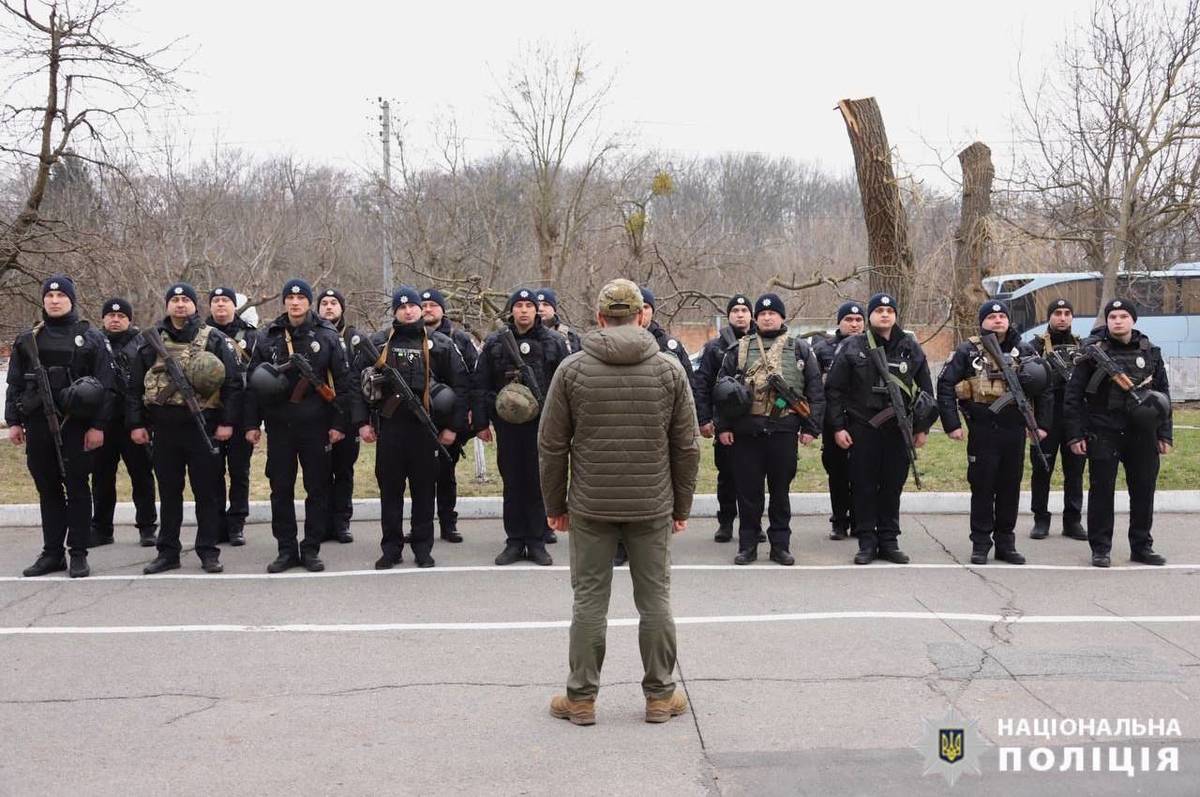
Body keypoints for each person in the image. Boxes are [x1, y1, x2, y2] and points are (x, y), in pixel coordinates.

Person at [540, 278, 700, 726]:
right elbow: (687, 446)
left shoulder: (572, 369)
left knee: (589, 601)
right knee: (655, 602)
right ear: (641, 316)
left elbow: (552, 445)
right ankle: (659, 696)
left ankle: (582, 699)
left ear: (599, 317)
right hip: (651, 504)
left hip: (591, 504)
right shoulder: (669, 369)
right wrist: (681, 507)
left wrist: (555, 504)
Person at [126, 282, 243, 574]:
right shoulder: (150, 341)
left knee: (207, 493)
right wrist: (137, 423)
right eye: (175, 300)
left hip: (203, 426)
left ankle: (208, 550)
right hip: (164, 429)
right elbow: (134, 386)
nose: (180, 305)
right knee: (169, 493)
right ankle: (168, 552)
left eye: (185, 300)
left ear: (194, 305)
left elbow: (232, 384)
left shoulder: (213, 339)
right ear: (168, 305)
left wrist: (227, 422)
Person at [353, 287, 470, 569]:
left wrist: (453, 429)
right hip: (390, 430)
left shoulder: (439, 343)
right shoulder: (379, 342)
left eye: (414, 306)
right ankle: (391, 548)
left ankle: (422, 547)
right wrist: (361, 424)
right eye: (402, 307)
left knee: (424, 491)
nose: (409, 311)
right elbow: (353, 385)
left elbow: (462, 386)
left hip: (425, 432)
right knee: (390, 492)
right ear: (395, 311)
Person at [244, 279, 351, 573]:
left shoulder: (326, 335)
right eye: (289, 297)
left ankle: (311, 548)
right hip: (279, 426)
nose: (294, 302)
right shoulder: (268, 336)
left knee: (317, 488)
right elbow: (253, 384)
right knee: (280, 489)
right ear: (283, 303)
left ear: (308, 301)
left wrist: (340, 423)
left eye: (300, 297)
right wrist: (252, 424)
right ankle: (286, 549)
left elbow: (343, 382)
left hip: (316, 425)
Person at [10, 276, 114, 578]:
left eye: (61, 295)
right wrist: (14, 421)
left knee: (78, 489)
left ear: (72, 299)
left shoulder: (91, 337)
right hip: (38, 424)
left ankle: (78, 553)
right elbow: (14, 384)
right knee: (48, 490)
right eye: (50, 295)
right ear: (43, 300)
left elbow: (106, 387)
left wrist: (98, 427)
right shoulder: (28, 338)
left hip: (77, 427)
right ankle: (52, 553)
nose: (55, 300)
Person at [937, 300, 1051, 565]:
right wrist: (952, 423)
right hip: (983, 430)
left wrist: (1041, 425)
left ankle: (1005, 543)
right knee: (983, 488)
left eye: (1002, 316)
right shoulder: (967, 351)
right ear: (982, 322)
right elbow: (945, 385)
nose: (998, 320)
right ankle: (980, 544)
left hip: (1014, 430)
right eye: (992, 316)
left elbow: (1045, 388)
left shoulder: (1025, 351)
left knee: (1010, 488)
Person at [824, 293, 935, 565]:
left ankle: (888, 540)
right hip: (863, 428)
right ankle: (866, 542)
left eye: (889, 310)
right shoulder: (852, 346)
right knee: (863, 486)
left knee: (891, 486)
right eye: (879, 310)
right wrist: (838, 428)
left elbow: (926, 391)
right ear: (870, 316)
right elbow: (834, 391)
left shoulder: (910, 346)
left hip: (898, 429)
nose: (884, 315)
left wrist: (922, 429)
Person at [716, 293, 824, 566]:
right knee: (748, 494)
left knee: (780, 492)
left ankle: (780, 545)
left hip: (783, 431)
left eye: (773, 313)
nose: (767, 317)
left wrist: (812, 428)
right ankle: (747, 545)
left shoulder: (800, 349)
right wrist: (723, 427)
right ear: (756, 318)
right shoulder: (739, 349)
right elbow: (721, 391)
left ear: (782, 317)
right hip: (746, 433)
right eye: (762, 314)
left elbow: (815, 390)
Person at [1065, 298, 1172, 568]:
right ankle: (1100, 548)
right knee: (1101, 492)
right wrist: (1076, 434)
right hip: (1104, 429)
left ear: (1133, 320)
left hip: (1143, 432)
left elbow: (1163, 396)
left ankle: (1141, 546)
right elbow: (1073, 397)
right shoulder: (1091, 353)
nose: (1118, 321)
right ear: (1107, 321)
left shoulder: (1150, 351)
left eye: (1123, 316)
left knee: (1143, 491)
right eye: (1112, 316)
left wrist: (1165, 434)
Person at [473, 287, 569, 566]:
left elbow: (564, 386)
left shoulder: (554, 342)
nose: (524, 310)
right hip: (508, 426)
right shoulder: (495, 343)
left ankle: (537, 541)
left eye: (529, 305)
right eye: (519, 305)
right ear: (511, 310)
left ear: (537, 310)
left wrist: (564, 423)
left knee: (538, 481)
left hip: (542, 425)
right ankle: (515, 541)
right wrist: (482, 422)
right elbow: (480, 385)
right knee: (513, 482)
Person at [609, 286, 697, 566]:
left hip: (658, 429)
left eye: (648, 307)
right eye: (639, 307)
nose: (643, 313)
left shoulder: (669, 346)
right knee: (622, 487)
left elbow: (687, 390)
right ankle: (621, 544)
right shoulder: (613, 344)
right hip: (622, 426)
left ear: (652, 312)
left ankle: (651, 542)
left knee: (655, 488)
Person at [90, 297, 157, 548]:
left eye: (121, 316)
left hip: (134, 422)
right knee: (101, 478)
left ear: (130, 320)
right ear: (104, 319)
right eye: (110, 316)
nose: (115, 320)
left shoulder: (144, 344)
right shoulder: (94, 343)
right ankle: (101, 529)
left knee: (141, 476)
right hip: (103, 423)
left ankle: (148, 527)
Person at [691, 293, 753, 543]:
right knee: (726, 476)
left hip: (753, 423)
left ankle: (752, 524)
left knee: (752, 478)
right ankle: (726, 522)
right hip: (725, 422)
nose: (740, 314)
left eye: (744, 310)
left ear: (751, 315)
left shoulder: (761, 344)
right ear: (728, 316)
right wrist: (704, 419)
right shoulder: (714, 348)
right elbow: (702, 384)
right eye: (735, 310)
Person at [422, 287, 479, 543]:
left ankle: (448, 524)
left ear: (443, 309)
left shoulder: (459, 339)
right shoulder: (405, 338)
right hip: (417, 422)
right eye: (423, 305)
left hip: (448, 422)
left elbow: (469, 383)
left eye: (433, 305)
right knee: (420, 477)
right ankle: (421, 526)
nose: (427, 309)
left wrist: (457, 425)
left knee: (446, 474)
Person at [1029, 298, 1087, 541]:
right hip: (1045, 419)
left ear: (1072, 317)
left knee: (1075, 473)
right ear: (1049, 317)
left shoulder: (1083, 347)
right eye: (1057, 313)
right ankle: (1040, 519)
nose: (1062, 317)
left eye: (1066, 313)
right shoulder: (1035, 346)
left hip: (1074, 419)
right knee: (1042, 470)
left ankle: (1072, 521)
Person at [205, 286, 257, 546]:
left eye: (225, 300)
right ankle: (215, 523)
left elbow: (257, 379)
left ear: (234, 305)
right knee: (211, 473)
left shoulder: (251, 336)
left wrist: (252, 422)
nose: (220, 305)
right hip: (209, 415)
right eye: (216, 301)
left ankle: (236, 523)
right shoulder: (200, 335)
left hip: (241, 416)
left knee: (239, 472)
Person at [811, 300, 865, 541]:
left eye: (858, 320)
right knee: (837, 473)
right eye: (849, 320)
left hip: (863, 420)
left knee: (863, 473)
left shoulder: (871, 347)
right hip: (833, 420)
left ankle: (859, 520)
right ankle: (839, 521)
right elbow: (814, 387)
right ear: (839, 322)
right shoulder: (823, 349)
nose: (854, 324)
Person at [317, 287, 358, 544]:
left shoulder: (354, 338)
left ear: (342, 308)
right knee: (319, 473)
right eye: (324, 303)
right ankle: (321, 523)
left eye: (334, 303)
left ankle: (342, 521)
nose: (329, 307)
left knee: (344, 471)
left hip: (347, 414)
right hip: (318, 415)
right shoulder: (311, 335)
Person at [536, 288, 582, 354]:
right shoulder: (523, 333)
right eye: (537, 305)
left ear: (554, 309)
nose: (540, 309)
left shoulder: (570, 336)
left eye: (546, 305)